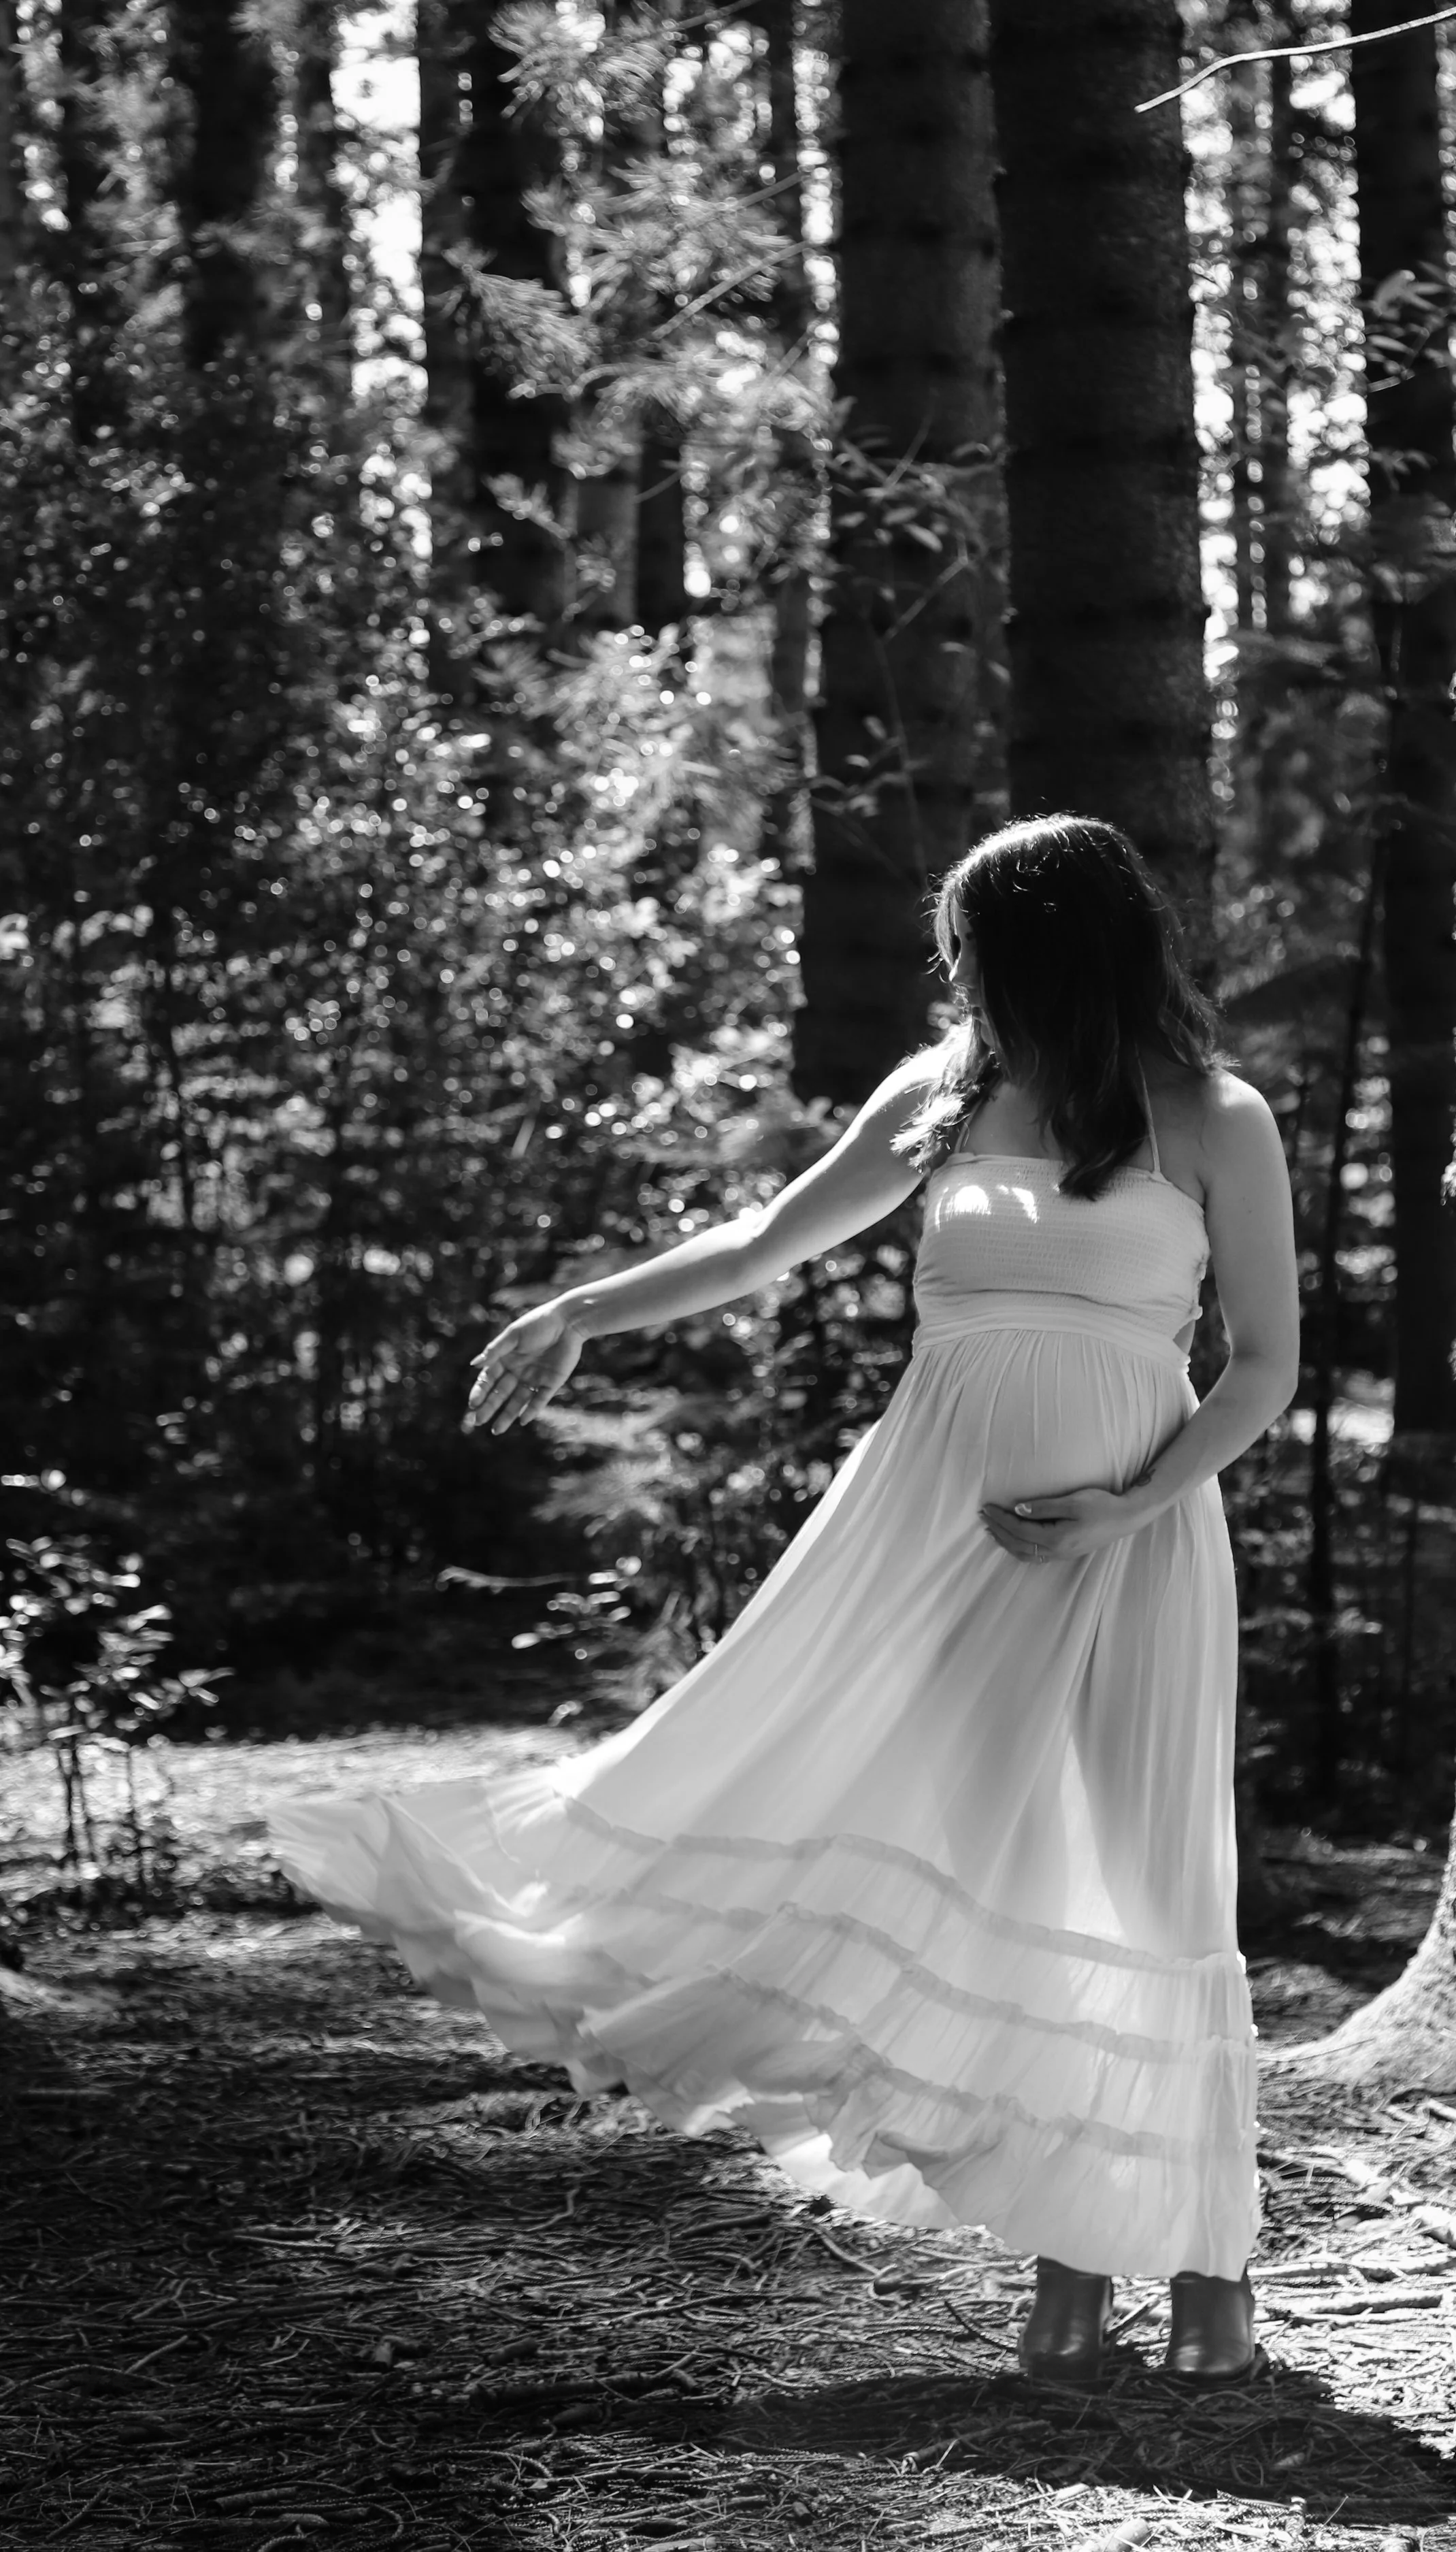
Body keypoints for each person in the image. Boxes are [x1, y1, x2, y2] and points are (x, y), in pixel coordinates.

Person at [272, 815, 1300, 2387]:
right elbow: (766, 1241)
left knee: (1154, 1886)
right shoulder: (940, 1099)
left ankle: (1212, 2279)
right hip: (932, 1537)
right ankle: (1071, 2271)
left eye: (968, 946)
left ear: (1044, 951)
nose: (947, 972)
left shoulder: (1211, 1117)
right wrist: (581, 1311)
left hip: (1132, 1538)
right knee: (1011, 1887)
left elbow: (1265, 1368)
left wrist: (1127, 1505)